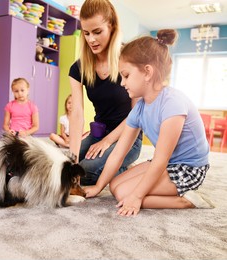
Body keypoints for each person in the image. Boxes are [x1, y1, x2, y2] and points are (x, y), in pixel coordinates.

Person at [84, 29, 212, 216]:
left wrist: (137, 197)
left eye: (126, 75)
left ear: (147, 72)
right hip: (168, 164)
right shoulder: (139, 108)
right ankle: (154, 191)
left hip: (189, 169)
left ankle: (185, 201)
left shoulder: (172, 104)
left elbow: (161, 159)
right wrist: (97, 187)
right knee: (115, 185)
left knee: (126, 193)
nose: (121, 83)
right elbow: (118, 153)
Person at [68, 0, 142, 185]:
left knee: (87, 173)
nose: (91, 39)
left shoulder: (131, 59)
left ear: (112, 27)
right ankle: (113, 166)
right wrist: (72, 159)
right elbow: (77, 113)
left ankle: (125, 169)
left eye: (97, 32)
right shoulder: (78, 68)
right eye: (86, 33)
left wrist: (108, 141)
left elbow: (138, 113)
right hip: (98, 132)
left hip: (128, 136)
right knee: (68, 169)